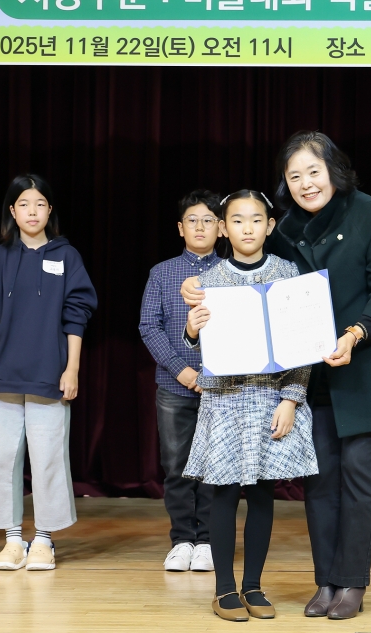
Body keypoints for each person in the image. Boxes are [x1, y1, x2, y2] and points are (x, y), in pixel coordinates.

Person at [183, 131, 371, 620]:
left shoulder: (370, 213)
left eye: (314, 171)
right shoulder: (285, 228)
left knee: (357, 472)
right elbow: (250, 274)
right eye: (295, 176)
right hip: (314, 373)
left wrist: (354, 334)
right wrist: (196, 288)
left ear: (334, 170)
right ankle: (325, 581)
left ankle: (352, 582)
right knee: (320, 481)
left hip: (365, 366)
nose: (306, 183)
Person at [181, 189, 319, 621]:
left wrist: (291, 399)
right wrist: (191, 329)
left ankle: (253, 586)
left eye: (256, 219)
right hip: (224, 401)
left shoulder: (287, 273)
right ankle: (224, 589)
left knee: (262, 493)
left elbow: (303, 344)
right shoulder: (208, 282)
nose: (247, 228)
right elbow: (198, 345)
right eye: (237, 220)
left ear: (270, 225)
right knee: (223, 493)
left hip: (269, 399)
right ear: (223, 228)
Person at [0, 174, 97, 572]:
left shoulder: (67, 256)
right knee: (1, 457)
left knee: (48, 457)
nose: (32, 211)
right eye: (24, 204)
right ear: (12, 210)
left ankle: (43, 539)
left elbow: (77, 315)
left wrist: (72, 368)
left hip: (49, 372)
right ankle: (12, 540)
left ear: (50, 210)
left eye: (40, 204)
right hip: (3, 371)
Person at [139, 189, 222, 572]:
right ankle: (182, 540)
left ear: (221, 228)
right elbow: (149, 327)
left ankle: (207, 541)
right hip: (174, 388)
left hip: (221, 390)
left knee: (214, 467)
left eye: (208, 220)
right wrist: (182, 371)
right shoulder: (162, 272)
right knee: (176, 467)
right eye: (192, 220)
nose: (200, 227)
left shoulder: (232, 272)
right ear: (180, 227)